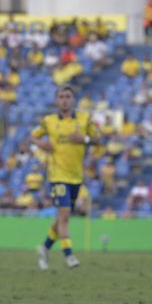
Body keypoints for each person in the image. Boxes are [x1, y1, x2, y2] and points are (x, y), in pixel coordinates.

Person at [30, 85, 101, 270]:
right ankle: (69, 255)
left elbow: (98, 139)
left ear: (74, 100)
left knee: (61, 217)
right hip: (57, 175)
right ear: (56, 100)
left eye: (68, 96)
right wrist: (41, 144)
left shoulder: (85, 119)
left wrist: (84, 139)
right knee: (65, 216)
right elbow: (32, 137)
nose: (64, 100)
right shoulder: (49, 121)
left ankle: (44, 248)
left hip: (76, 177)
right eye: (61, 96)